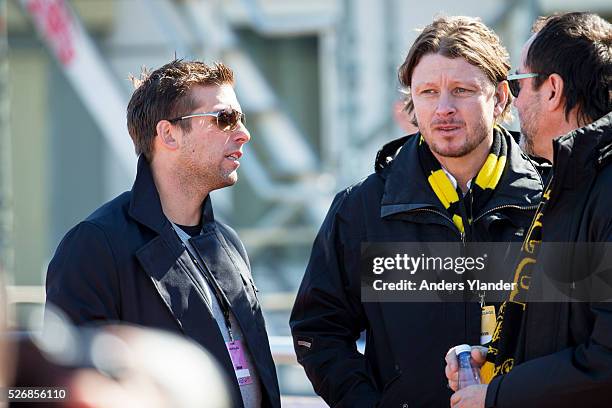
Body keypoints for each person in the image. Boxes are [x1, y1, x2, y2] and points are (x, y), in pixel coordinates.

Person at [290, 16, 543, 407]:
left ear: (500, 99)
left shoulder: (549, 201)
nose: (444, 109)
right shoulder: (364, 210)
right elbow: (318, 331)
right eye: (427, 92)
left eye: (461, 90)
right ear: (412, 102)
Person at [45, 59, 280, 408]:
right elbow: (68, 386)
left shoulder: (228, 243)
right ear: (168, 134)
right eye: (225, 118)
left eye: (240, 118)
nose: (243, 132)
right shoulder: (95, 244)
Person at [445, 12, 612, 408]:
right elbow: (567, 328)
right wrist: (496, 355)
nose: (513, 102)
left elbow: (606, 361)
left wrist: (498, 395)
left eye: (518, 84)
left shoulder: (601, 188)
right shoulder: (571, 181)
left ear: (552, 90)